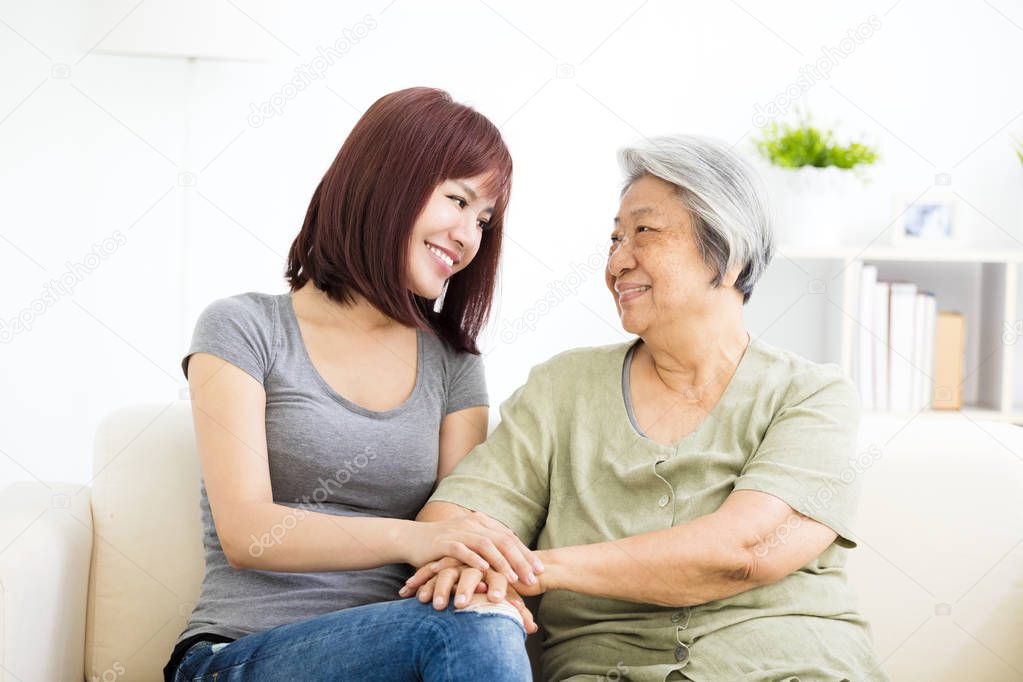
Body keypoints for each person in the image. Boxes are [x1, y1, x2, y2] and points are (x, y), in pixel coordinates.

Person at [410, 135, 890, 681]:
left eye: (644, 231)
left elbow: (745, 549)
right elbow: (452, 521)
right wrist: (468, 563)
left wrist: (542, 570)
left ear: (727, 256)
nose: (617, 261)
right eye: (614, 239)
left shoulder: (812, 395)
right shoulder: (563, 387)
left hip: (788, 668)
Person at [164, 87, 540, 682]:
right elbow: (248, 531)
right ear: (390, 179)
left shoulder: (454, 363)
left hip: (404, 649)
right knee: (472, 627)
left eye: (484, 219)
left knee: (483, 616)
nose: (469, 235)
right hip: (239, 654)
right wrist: (412, 541)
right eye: (458, 199)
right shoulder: (244, 327)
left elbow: (459, 520)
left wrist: (477, 572)